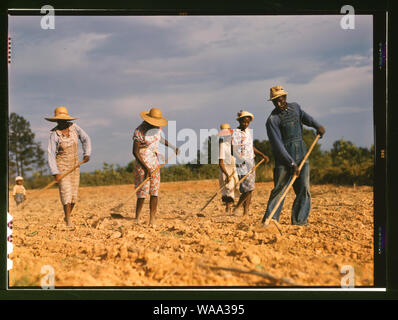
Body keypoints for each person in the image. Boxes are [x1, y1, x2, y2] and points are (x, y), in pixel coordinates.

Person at [261, 86, 325, 226]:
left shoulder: (295, 108)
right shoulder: (272, 120)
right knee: (279, 190)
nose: (279, 103)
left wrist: (317, 126)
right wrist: (291, 163)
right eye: (275, 101)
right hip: (284, 159)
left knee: (304, 189)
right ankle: (270, 221)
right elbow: (278, 146)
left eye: (281, 99)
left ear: (285, 97)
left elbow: (306, 118)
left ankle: (300, 221)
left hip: (302, 153)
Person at [46, 106, 91, 227]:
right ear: (56, 121)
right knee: (66, 193)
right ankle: (69, 221)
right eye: (59, 120)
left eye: (63, 120)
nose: (62, 122)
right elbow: (51, 154)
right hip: (61, 166)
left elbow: (86, 139)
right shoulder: (55, 134)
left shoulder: (74, 128)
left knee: (74, 196)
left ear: (67, 119)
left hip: (75, 166)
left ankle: (67, 217)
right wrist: (56, 172)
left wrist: (87, 153)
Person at [133, 107, 178, 226]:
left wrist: (173, 147)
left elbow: (161, 139)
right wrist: (146, 168)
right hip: (142, 162)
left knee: (154, 191)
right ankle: (137, 218)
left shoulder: (157, 129)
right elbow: (135, 152)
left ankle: (152, 219)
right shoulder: (139, 131)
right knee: (143, 191)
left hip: (154, 161)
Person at [232, 110, 270, 216]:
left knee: (251, 188)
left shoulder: (248, 131)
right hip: (242, 163)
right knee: (246, 188)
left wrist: (262, 154)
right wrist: (242, 160)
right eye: (244, 122)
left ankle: (245, 211)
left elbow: (251, 146)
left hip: (251, 161)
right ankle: (238, 206)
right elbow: (233, 149)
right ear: (240, 121)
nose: (246, 124)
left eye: (248, 122)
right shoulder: (236, 133)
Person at [218, 123, 239, 214]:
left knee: (234, 189)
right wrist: (226, 174)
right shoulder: (222, 145)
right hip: (225, 171)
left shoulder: (232, 144)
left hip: (233, 170)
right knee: (228, 190)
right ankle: (228, 210)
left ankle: (230, 209)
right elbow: (221, 163)